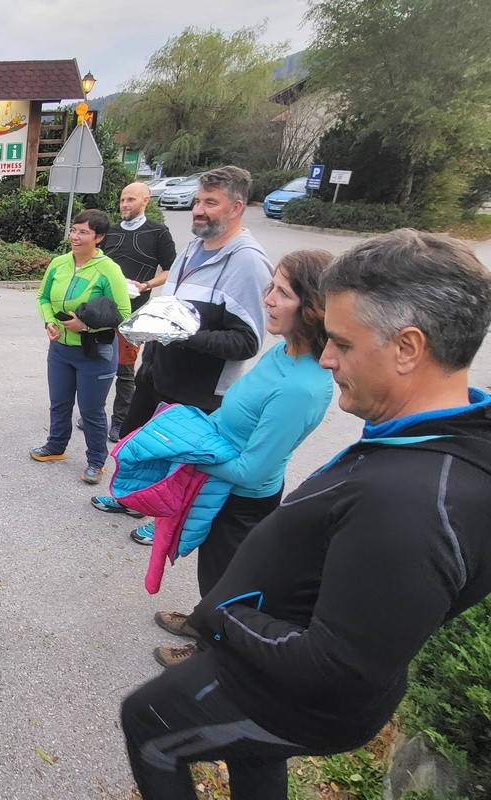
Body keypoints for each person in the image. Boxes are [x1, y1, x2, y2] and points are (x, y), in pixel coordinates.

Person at [120, 230, 491, 800]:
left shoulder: (413, 500)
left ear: (408, 348)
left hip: (289, 694)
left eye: (341, 342)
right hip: (280, 669)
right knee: (246, 753)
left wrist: (223, 613)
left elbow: (337, 664)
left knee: (148, 722)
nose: (326, 358)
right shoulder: (432, 443)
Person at [117, 250, 336, 668]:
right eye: (271, 286)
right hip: (222, 485)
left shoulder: (302, 387)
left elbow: (252, 469)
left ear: (313, 309)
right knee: (214, 576)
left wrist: (186, 452)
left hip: (242, 501)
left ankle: (212, 650)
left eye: (283, 293)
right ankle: (205, 620)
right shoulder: (283, 352)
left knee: (229, 581)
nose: (268, 298)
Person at [110, 166, 274, 545]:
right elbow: (171, 309)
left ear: (236, 208)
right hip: (158, 371)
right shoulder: (194, 247)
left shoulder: (247, 262)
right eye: (198, 201)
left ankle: (166, 519)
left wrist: (185, 335)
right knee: (138, 441)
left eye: (210, 203)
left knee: (177, 461)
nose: (198, 210)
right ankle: (135, 500)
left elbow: (246, 342)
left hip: (198, 389)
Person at [32, 209, 132, 484]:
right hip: (61, 350)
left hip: (95, 352)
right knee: (59, 403)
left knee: (91, 411)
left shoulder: (108, 269)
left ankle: (97, 461)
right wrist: (50, 322)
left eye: (84, 232)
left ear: (98, 237)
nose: (75, 237)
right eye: (74, 230)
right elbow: (42, 297)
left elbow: (123, 312)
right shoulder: (59, 263)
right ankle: (55, 447)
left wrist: (86, 327)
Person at [100, 182, 177, 441]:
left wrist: (145, 285)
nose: (124, 205)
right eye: (122, 199)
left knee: (124, 368)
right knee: (98, 363)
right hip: (103, 310)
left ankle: (119, 420)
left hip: (134, 311)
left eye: (131, 200)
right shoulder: (109, 232)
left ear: (146, 201)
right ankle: (94, 414)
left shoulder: (158, 232)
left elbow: (170, 270)